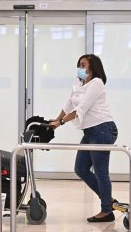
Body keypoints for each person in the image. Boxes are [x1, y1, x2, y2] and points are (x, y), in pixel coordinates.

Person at [50, 54, 118, 222]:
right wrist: (55, 119)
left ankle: (106, 210)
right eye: (79, 65)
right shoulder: (79, 83)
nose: (80, 68)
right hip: (90, 132)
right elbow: (69, 103)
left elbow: (82, 108)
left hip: (103, 130)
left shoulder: (96, 83)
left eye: (83, 65)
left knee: (101, 172)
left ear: (92, 67)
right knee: (81, 169)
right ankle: (108, 200)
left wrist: (61, 122)